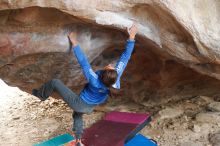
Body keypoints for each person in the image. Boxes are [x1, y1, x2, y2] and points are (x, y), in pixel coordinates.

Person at [32, 23, 138, 146]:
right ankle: (78, 141)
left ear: (103, 73)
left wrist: (74, 42)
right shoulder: (116, 77)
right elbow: (125, 57)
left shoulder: (94, 79)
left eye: (109, 67)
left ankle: (40, 95)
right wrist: (132, 36)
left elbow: (83, 62)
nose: (111, 65)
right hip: (90, 107)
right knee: (77, 115)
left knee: (55, 82)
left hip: (80, 103)